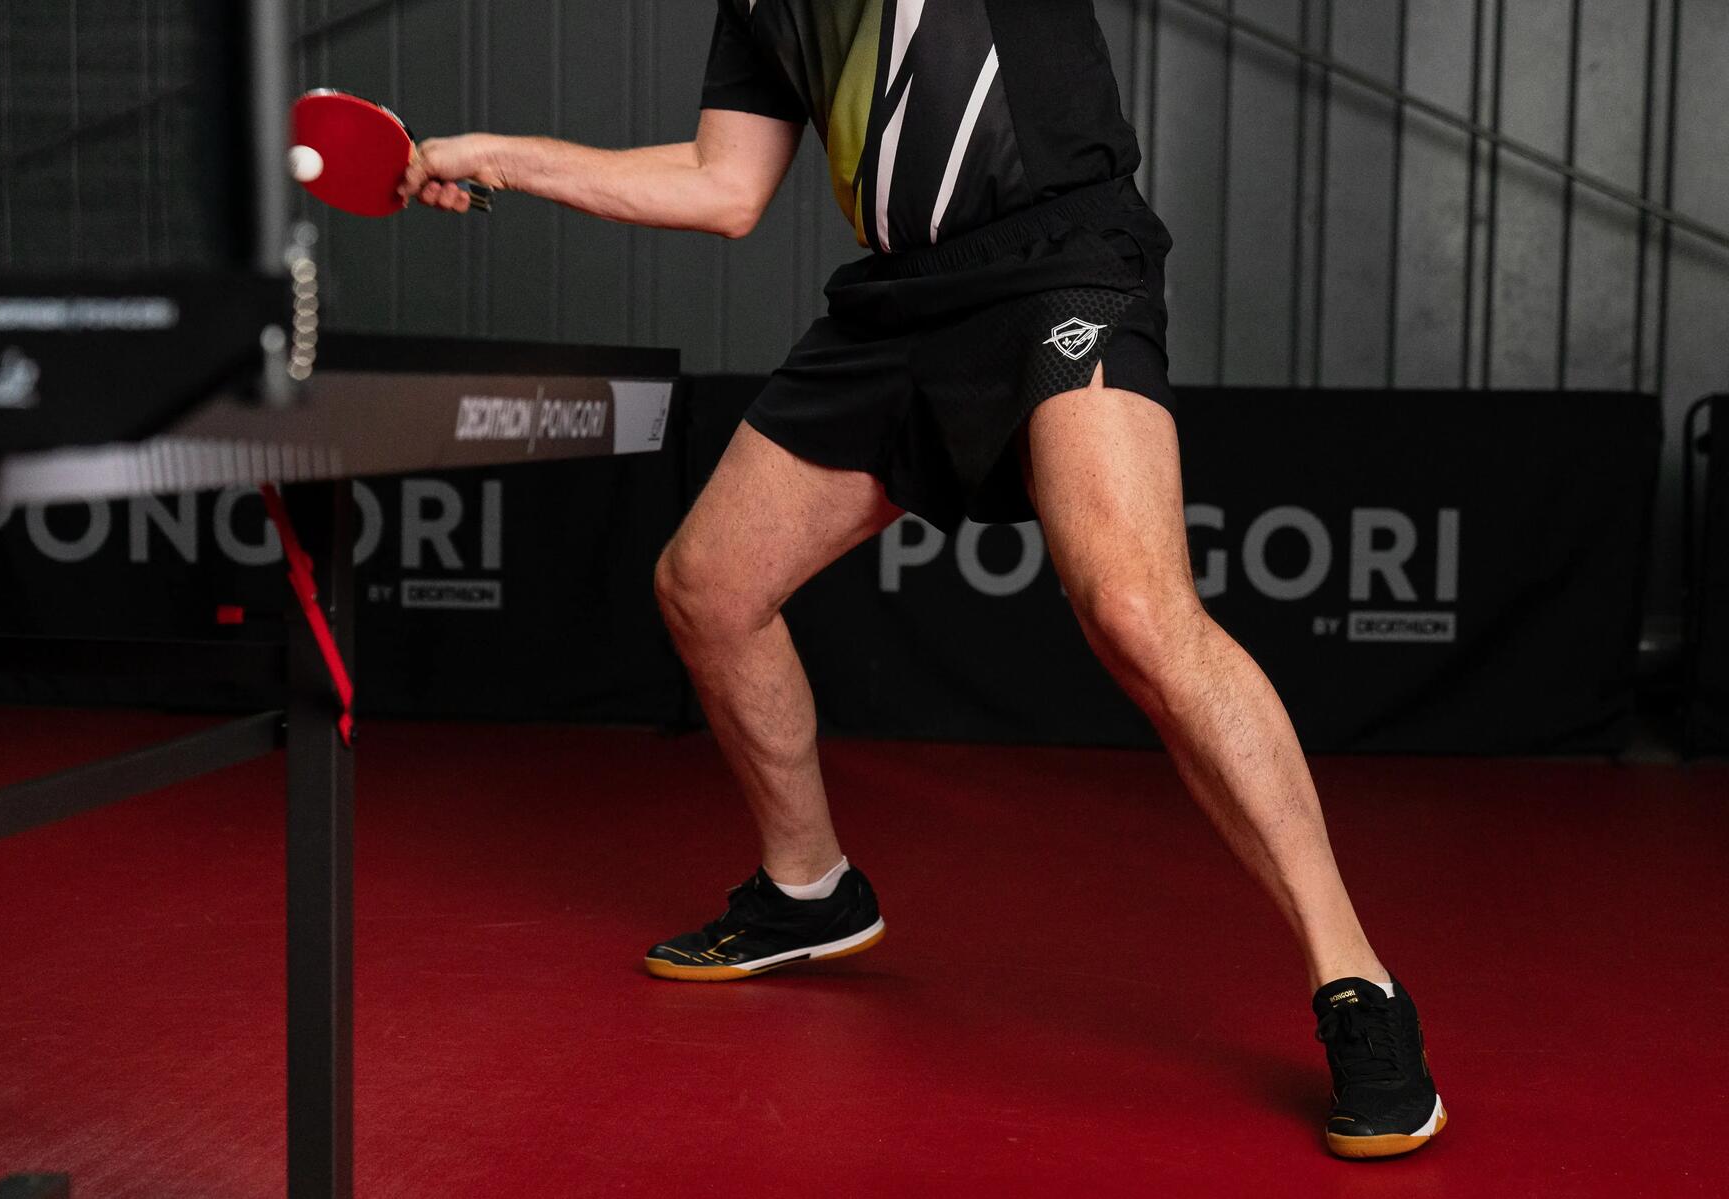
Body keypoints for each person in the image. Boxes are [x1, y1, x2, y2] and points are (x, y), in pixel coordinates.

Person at [402, 0, 1446, 1160]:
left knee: (1137, 610)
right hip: (904, 300)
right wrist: (495, 154)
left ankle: (1358, 982)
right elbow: (722, 185)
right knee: (707, 585)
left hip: (1061, 259)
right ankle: (807, 886)